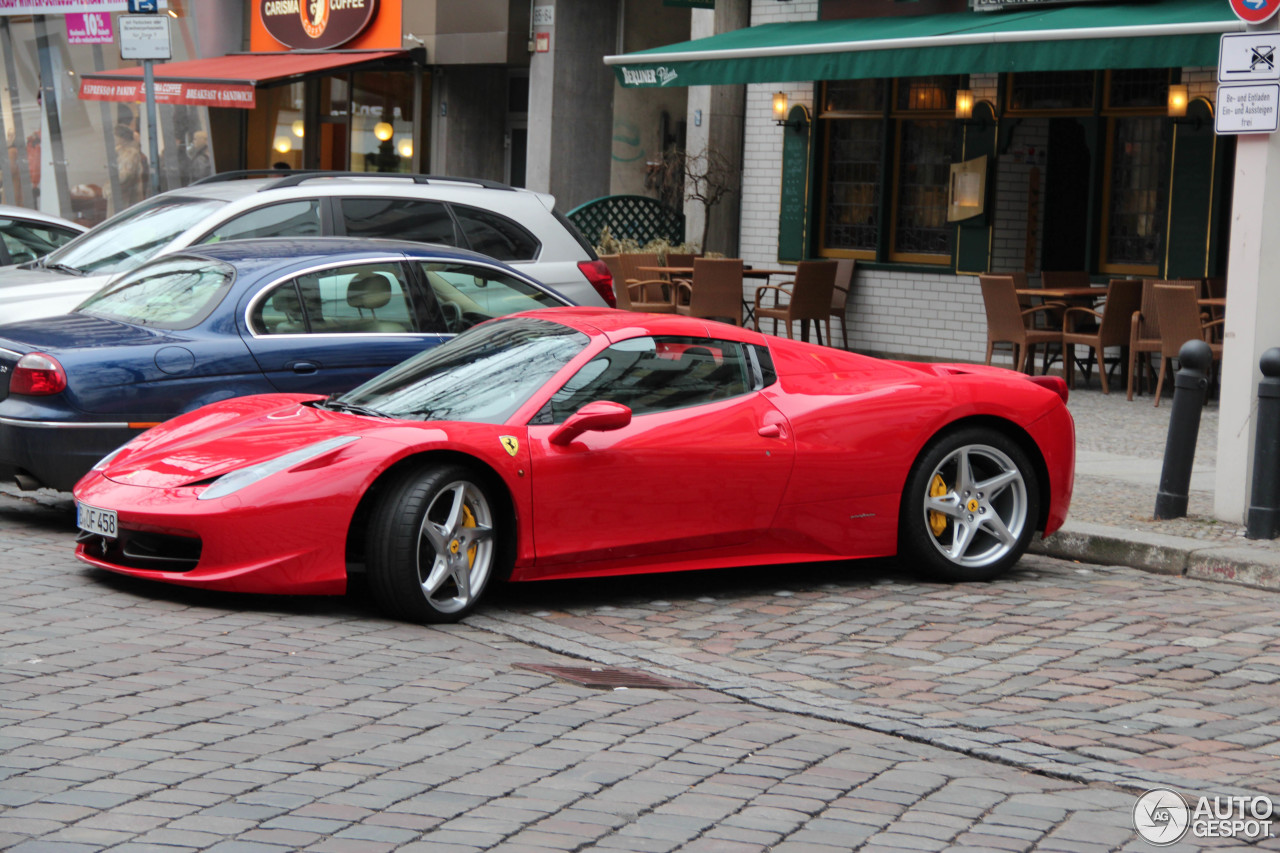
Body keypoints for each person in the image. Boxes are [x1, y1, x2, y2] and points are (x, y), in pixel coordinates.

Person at [113, 123, 148, 209]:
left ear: (122, 137)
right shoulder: (121, 152)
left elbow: (125, 176)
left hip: (126, 196)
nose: (114, 138)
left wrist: (109, 188)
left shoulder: (130, 154)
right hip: (123, 194)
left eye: (115, 135)